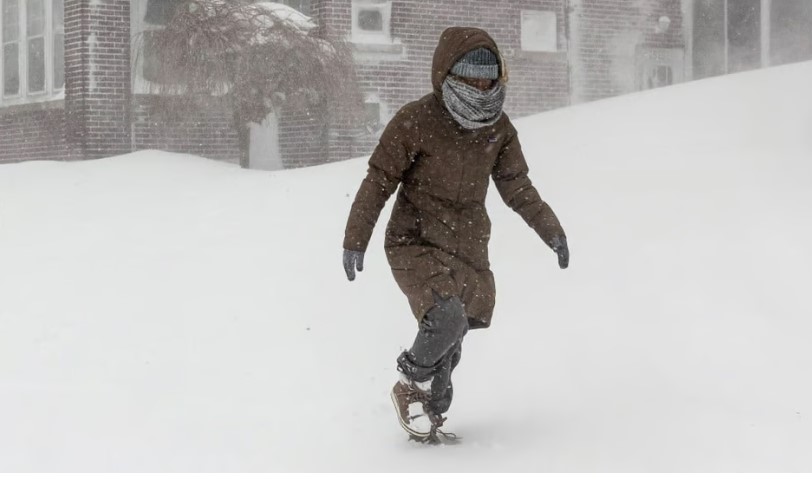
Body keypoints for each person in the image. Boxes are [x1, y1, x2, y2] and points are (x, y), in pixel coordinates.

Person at [342, 26, 569, 443]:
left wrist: (550, 229)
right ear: (448, 74)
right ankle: (408, 385)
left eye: (488, 77)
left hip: (466, 248)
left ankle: (428, 425)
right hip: (415, 242)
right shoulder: (416, 121)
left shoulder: (498, 130)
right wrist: (356, 238)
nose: (481, 86)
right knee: (445, 318)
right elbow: (379, 181)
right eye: (471, 77)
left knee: (451, 348)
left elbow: (517, 187)